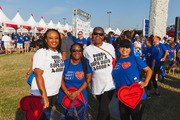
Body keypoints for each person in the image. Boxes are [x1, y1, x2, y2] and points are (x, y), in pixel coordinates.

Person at [112, 39, 152, 120]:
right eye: (122, 47)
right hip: (123, 95)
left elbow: (149, 70)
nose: (124, 50)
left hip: (137, 95)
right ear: (119, 48)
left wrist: (146, 82)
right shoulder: (116, 61)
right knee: (124, 118)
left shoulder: (135, 59)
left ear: (130, 49)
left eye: (127, 48)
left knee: (135, 118)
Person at [30, 29, 64, 119]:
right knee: (40, 117)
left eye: (56, 38)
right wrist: (44, 95)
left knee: (46, 117)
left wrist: (56, 92)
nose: (54, 40)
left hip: (53, 92)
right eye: (51, 38)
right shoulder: (42, 52)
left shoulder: (58, 53)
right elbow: (38, 74)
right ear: (46, 39)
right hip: (41, 93)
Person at [83, 27, 116, 120]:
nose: (98, 36)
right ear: (92, 35)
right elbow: (86, 66)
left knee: (103, 110)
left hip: (110, 83)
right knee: (106, 108)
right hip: (97, 84)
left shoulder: (109, 47)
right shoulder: (87, 50)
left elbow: (114, 62)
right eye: (95, 34)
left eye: (100, 34)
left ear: (103, 36)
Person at [58, 43, 92, 120]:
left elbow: (88, 80)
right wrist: (67, 93)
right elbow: (60, 79)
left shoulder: (86, 63)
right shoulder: (65, 63)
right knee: (69, 117)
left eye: (79, 50)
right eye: (74, 51)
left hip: (81, 95)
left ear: (82, 51)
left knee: (84, 117)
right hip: (66, 95)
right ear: (71, 52)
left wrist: (77, 92)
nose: (77, 53)